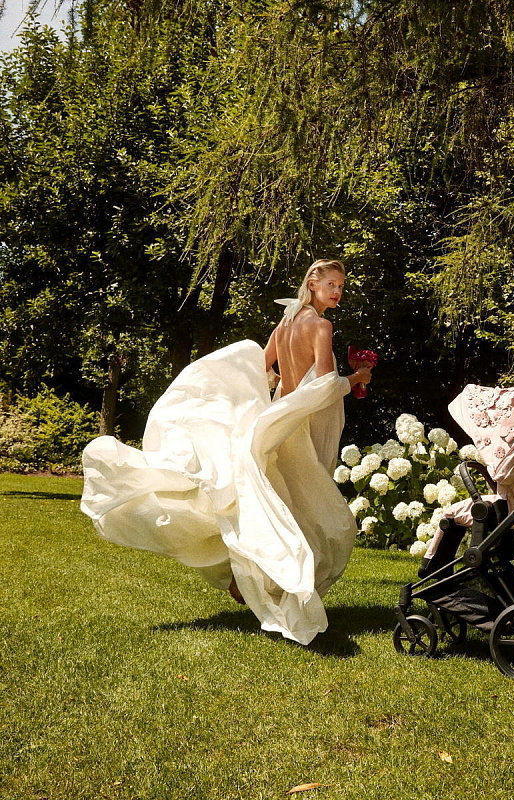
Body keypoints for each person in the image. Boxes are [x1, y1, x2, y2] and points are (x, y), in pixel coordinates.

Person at [81, 258, 372, 645]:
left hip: (282, 414)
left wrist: (279, 386)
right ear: (313, 284)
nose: (337, 291)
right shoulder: (321, 326)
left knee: (283, 501)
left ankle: (250, 574)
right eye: (331, 284)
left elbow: (263, 367)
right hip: (302, 424)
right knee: (315, 510)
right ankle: (284, 583)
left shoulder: (286, 321)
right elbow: (322, 384)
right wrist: (357, 377)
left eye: (341, 286)